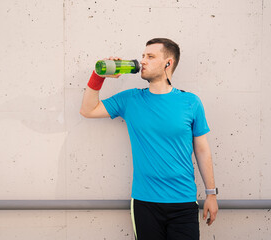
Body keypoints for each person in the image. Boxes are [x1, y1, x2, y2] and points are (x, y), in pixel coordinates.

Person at [80, 38, 218, 240]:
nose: (143, 61)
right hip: (145, 203)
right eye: (143, 56)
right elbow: (88, 110)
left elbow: (202, 150)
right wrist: (99, 75)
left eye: (150, 57)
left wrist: (211, 194)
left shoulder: (190, 102)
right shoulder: (130, 99)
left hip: (183, 201)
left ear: (168, 63)